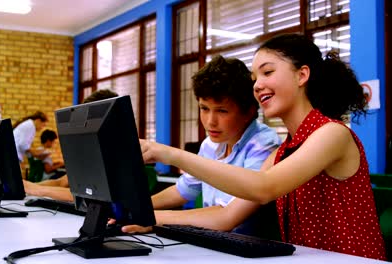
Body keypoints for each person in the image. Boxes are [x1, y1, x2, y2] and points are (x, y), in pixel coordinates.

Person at [139, 34, 386, 260]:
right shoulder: (282, 152)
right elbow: (225, 217)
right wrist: (143, 217)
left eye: (267, 72)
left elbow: (264, 188)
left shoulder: (332, 134)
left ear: (302, 75)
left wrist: (171, 154)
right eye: (254, 79)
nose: (257, 86)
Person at [122, 55, 281, 238]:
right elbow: (183, 190)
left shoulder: (264, 144)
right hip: (213, 241)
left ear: (249, 112)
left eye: (222, 111)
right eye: (204, 108)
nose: (210, 122)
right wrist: (133, 210)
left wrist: (150, 217)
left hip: (248, 251)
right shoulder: (210, 144)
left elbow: (227, 214)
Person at [23, 89, 119, 201]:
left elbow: (89, 197)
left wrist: (37, 190)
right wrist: (28, 186)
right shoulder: (91, 154)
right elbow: (60, 183)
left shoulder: (117, 155)